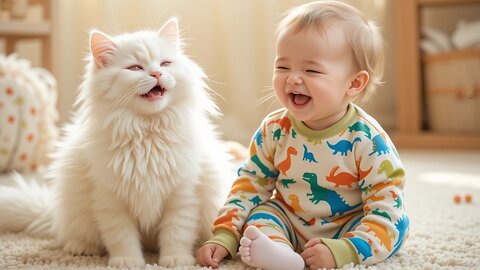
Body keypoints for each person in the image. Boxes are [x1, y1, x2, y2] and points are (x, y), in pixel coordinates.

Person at [197, 1, 409, 269]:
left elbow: (385, 201)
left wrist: (347, 248)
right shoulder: (274, 130)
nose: (293, 79)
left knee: (396, 224)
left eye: (311, 70)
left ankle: (342, 251)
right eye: (282, 67)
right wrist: (225, 233)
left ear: (354, 83)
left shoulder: (367, 140)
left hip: (349, 223)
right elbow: (251, 183)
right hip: (291, 219)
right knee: (263, 213)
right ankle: (279, 252)